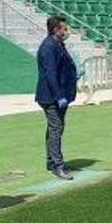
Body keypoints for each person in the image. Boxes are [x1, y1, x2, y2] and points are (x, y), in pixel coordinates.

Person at [35, 15, 78, 180]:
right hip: (51, 96)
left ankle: (51, 161)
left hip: (59, 94)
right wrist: (59, 96)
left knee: (54, 128)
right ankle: (58, 166)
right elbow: (50, 74)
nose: (66, 31)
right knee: (56, 129)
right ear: (55, 30)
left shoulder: (57, 44)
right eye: (64, 29)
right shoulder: (48, 47)